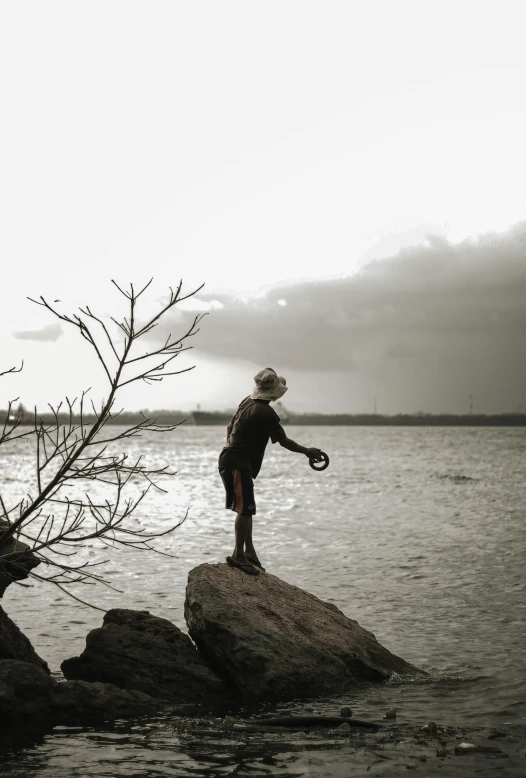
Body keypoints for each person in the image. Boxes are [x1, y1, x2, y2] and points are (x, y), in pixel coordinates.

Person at [218, 367, 322, 575]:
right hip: (238, 462)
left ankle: (250, 552)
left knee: (247, 507)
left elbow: (229, 428)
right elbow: (284, 441)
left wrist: (234, 448)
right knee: (245, 509)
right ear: (274, 391)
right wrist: (307, 452)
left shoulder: (246, 401)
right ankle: (238, 555)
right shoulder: (266, 413)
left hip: (230, 458)